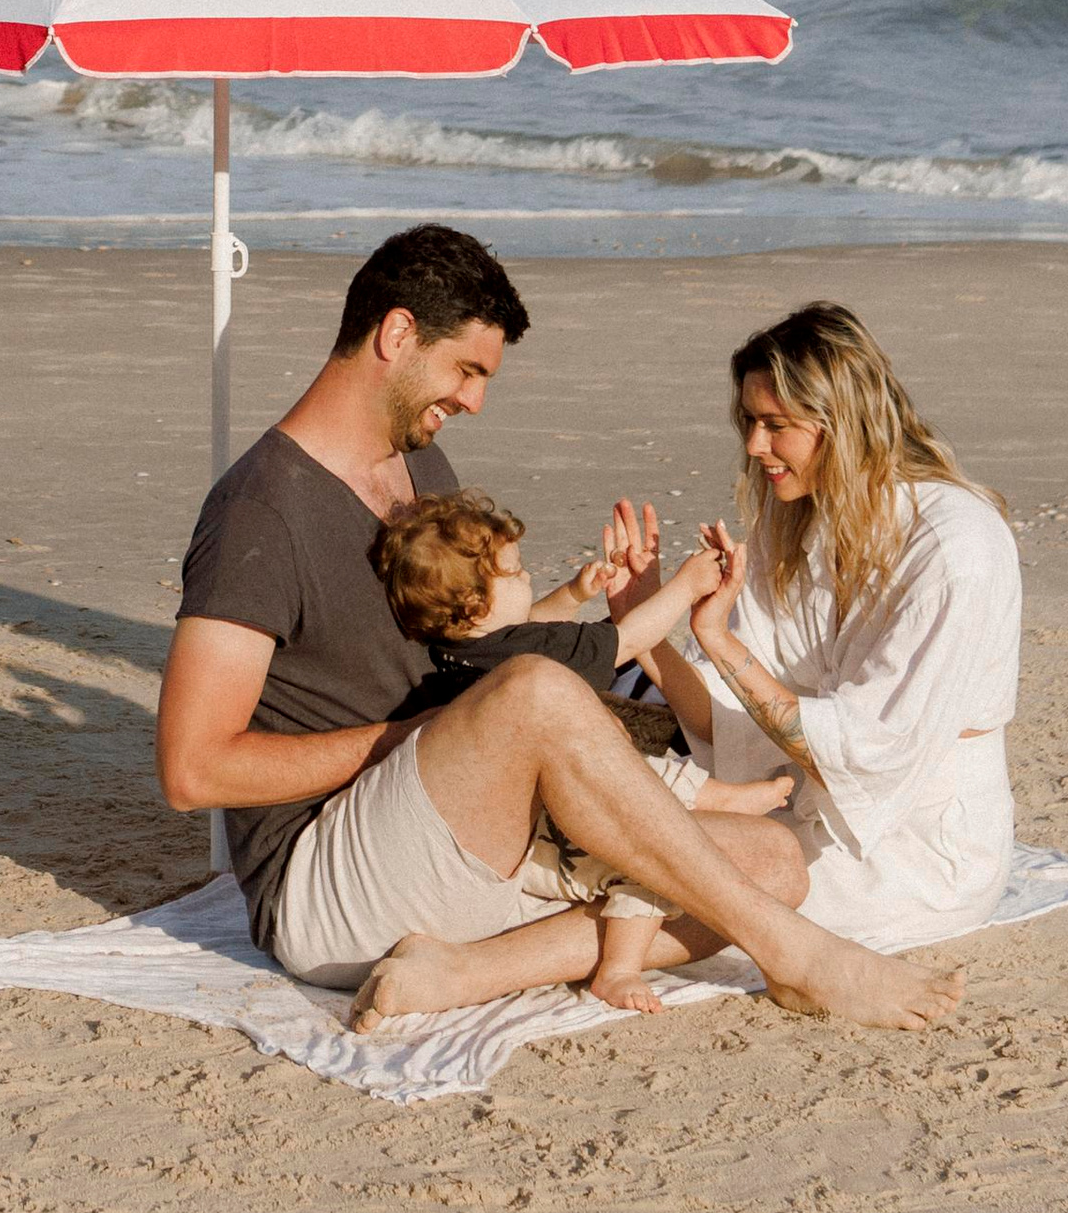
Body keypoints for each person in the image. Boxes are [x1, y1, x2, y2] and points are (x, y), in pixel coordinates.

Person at [156, 224, 966, 1032]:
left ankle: (465, 968)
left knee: (777, 861)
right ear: (397, 334)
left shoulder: (417, 468)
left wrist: (570, 618)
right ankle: (796, 958)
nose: (474, 399)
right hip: (329, 883)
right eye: (467, 370)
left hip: (468, 831)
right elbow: (193, 771)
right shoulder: (259, 512)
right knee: (537, 696)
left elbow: (474, 645)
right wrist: (429, 733)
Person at [629, 300, 1023, 951]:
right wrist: (640, 622)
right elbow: (731, 726)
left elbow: (861, 756)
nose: (755, 446)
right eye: (750, 423)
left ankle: (481, 969)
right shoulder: (800, 523)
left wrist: (721, 642)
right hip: (800, 803)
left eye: (774, 425)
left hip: (917, 850)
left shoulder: (955, 551)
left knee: (691, 877)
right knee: (627, 831)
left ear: (842, 424)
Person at [371, 490, 796, 1014]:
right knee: (649, 858)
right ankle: (619, 968)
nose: (528, 579)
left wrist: (573, 594)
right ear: (477, 604)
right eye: (518, 572)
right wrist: (686, 587)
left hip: (510, 822)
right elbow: (627, 638)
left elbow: (526, 625)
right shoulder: (526, 656)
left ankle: (716, 798)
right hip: (552, 837)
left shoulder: (457, 650)